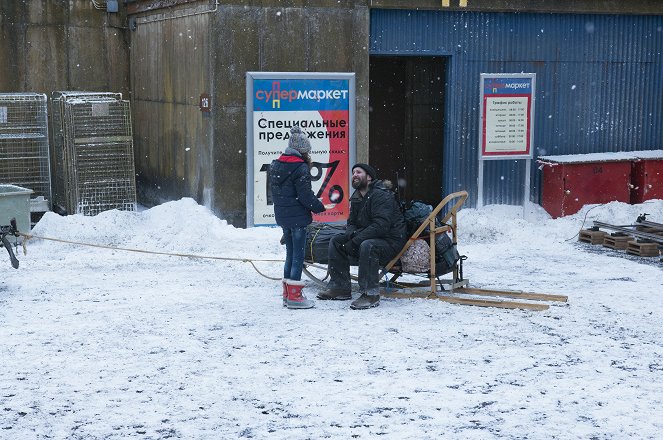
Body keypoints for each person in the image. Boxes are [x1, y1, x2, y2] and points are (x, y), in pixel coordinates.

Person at [317, 163, 407, 309]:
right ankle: (340, 287)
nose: (354, 175)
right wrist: (350, 236)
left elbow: (381, 226)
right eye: (353, 173)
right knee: (337, 241)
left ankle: (370, 294)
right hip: (369, 237)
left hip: (390, 241)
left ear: (369, 177)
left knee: (368, 245)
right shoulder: (357, 197)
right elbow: (351, 223)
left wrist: (355, 240)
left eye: (359, 172)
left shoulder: (381, 195)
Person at [270, 126, 325, 309]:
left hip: (283, 215)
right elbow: (305, 196)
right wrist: (320, 207)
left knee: (290, 255)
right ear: (302, 150)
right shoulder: (300, 167)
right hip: (298, 218)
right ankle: (295, 297)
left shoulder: (277, 164)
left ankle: (287, 294)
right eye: (307, 151)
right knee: (298, 257)